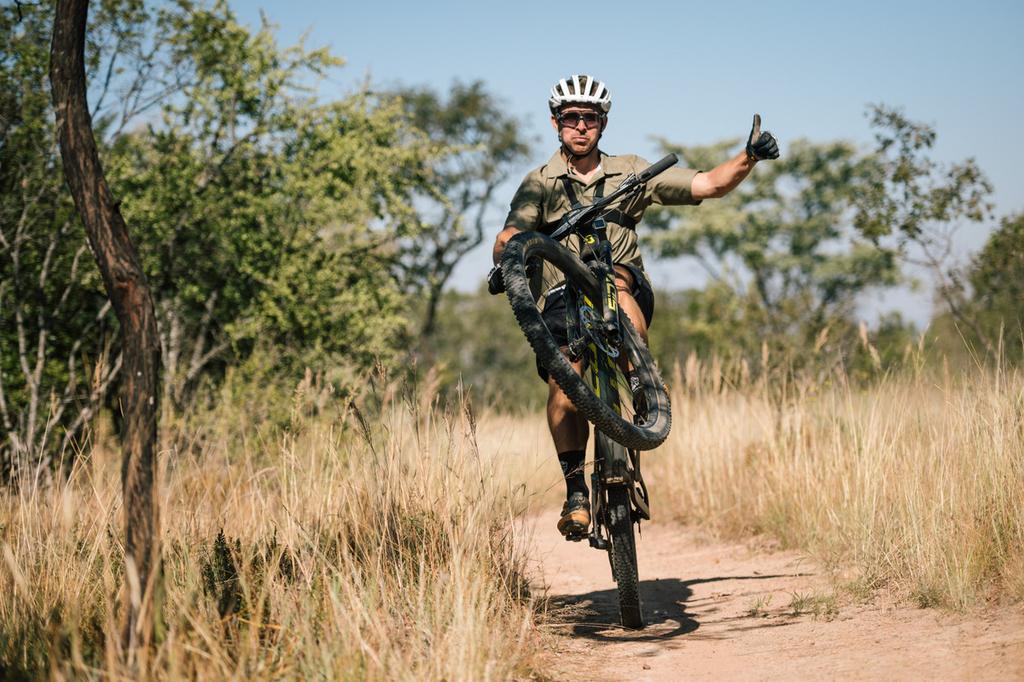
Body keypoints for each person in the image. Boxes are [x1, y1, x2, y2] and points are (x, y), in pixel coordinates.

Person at [491, 74, 779, 537]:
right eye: (571, 119)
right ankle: (576, 493)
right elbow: (509, 235)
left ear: (603, 123)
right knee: (564, 389)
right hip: (563, 299)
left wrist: (749, 156)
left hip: (620, 282)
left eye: (590, 118)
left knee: (617, 289)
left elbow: (707, 184)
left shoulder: (630, 171)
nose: (580, 127)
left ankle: (642, 384)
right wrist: (509, 248)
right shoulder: (539, 183)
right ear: (555, 123)